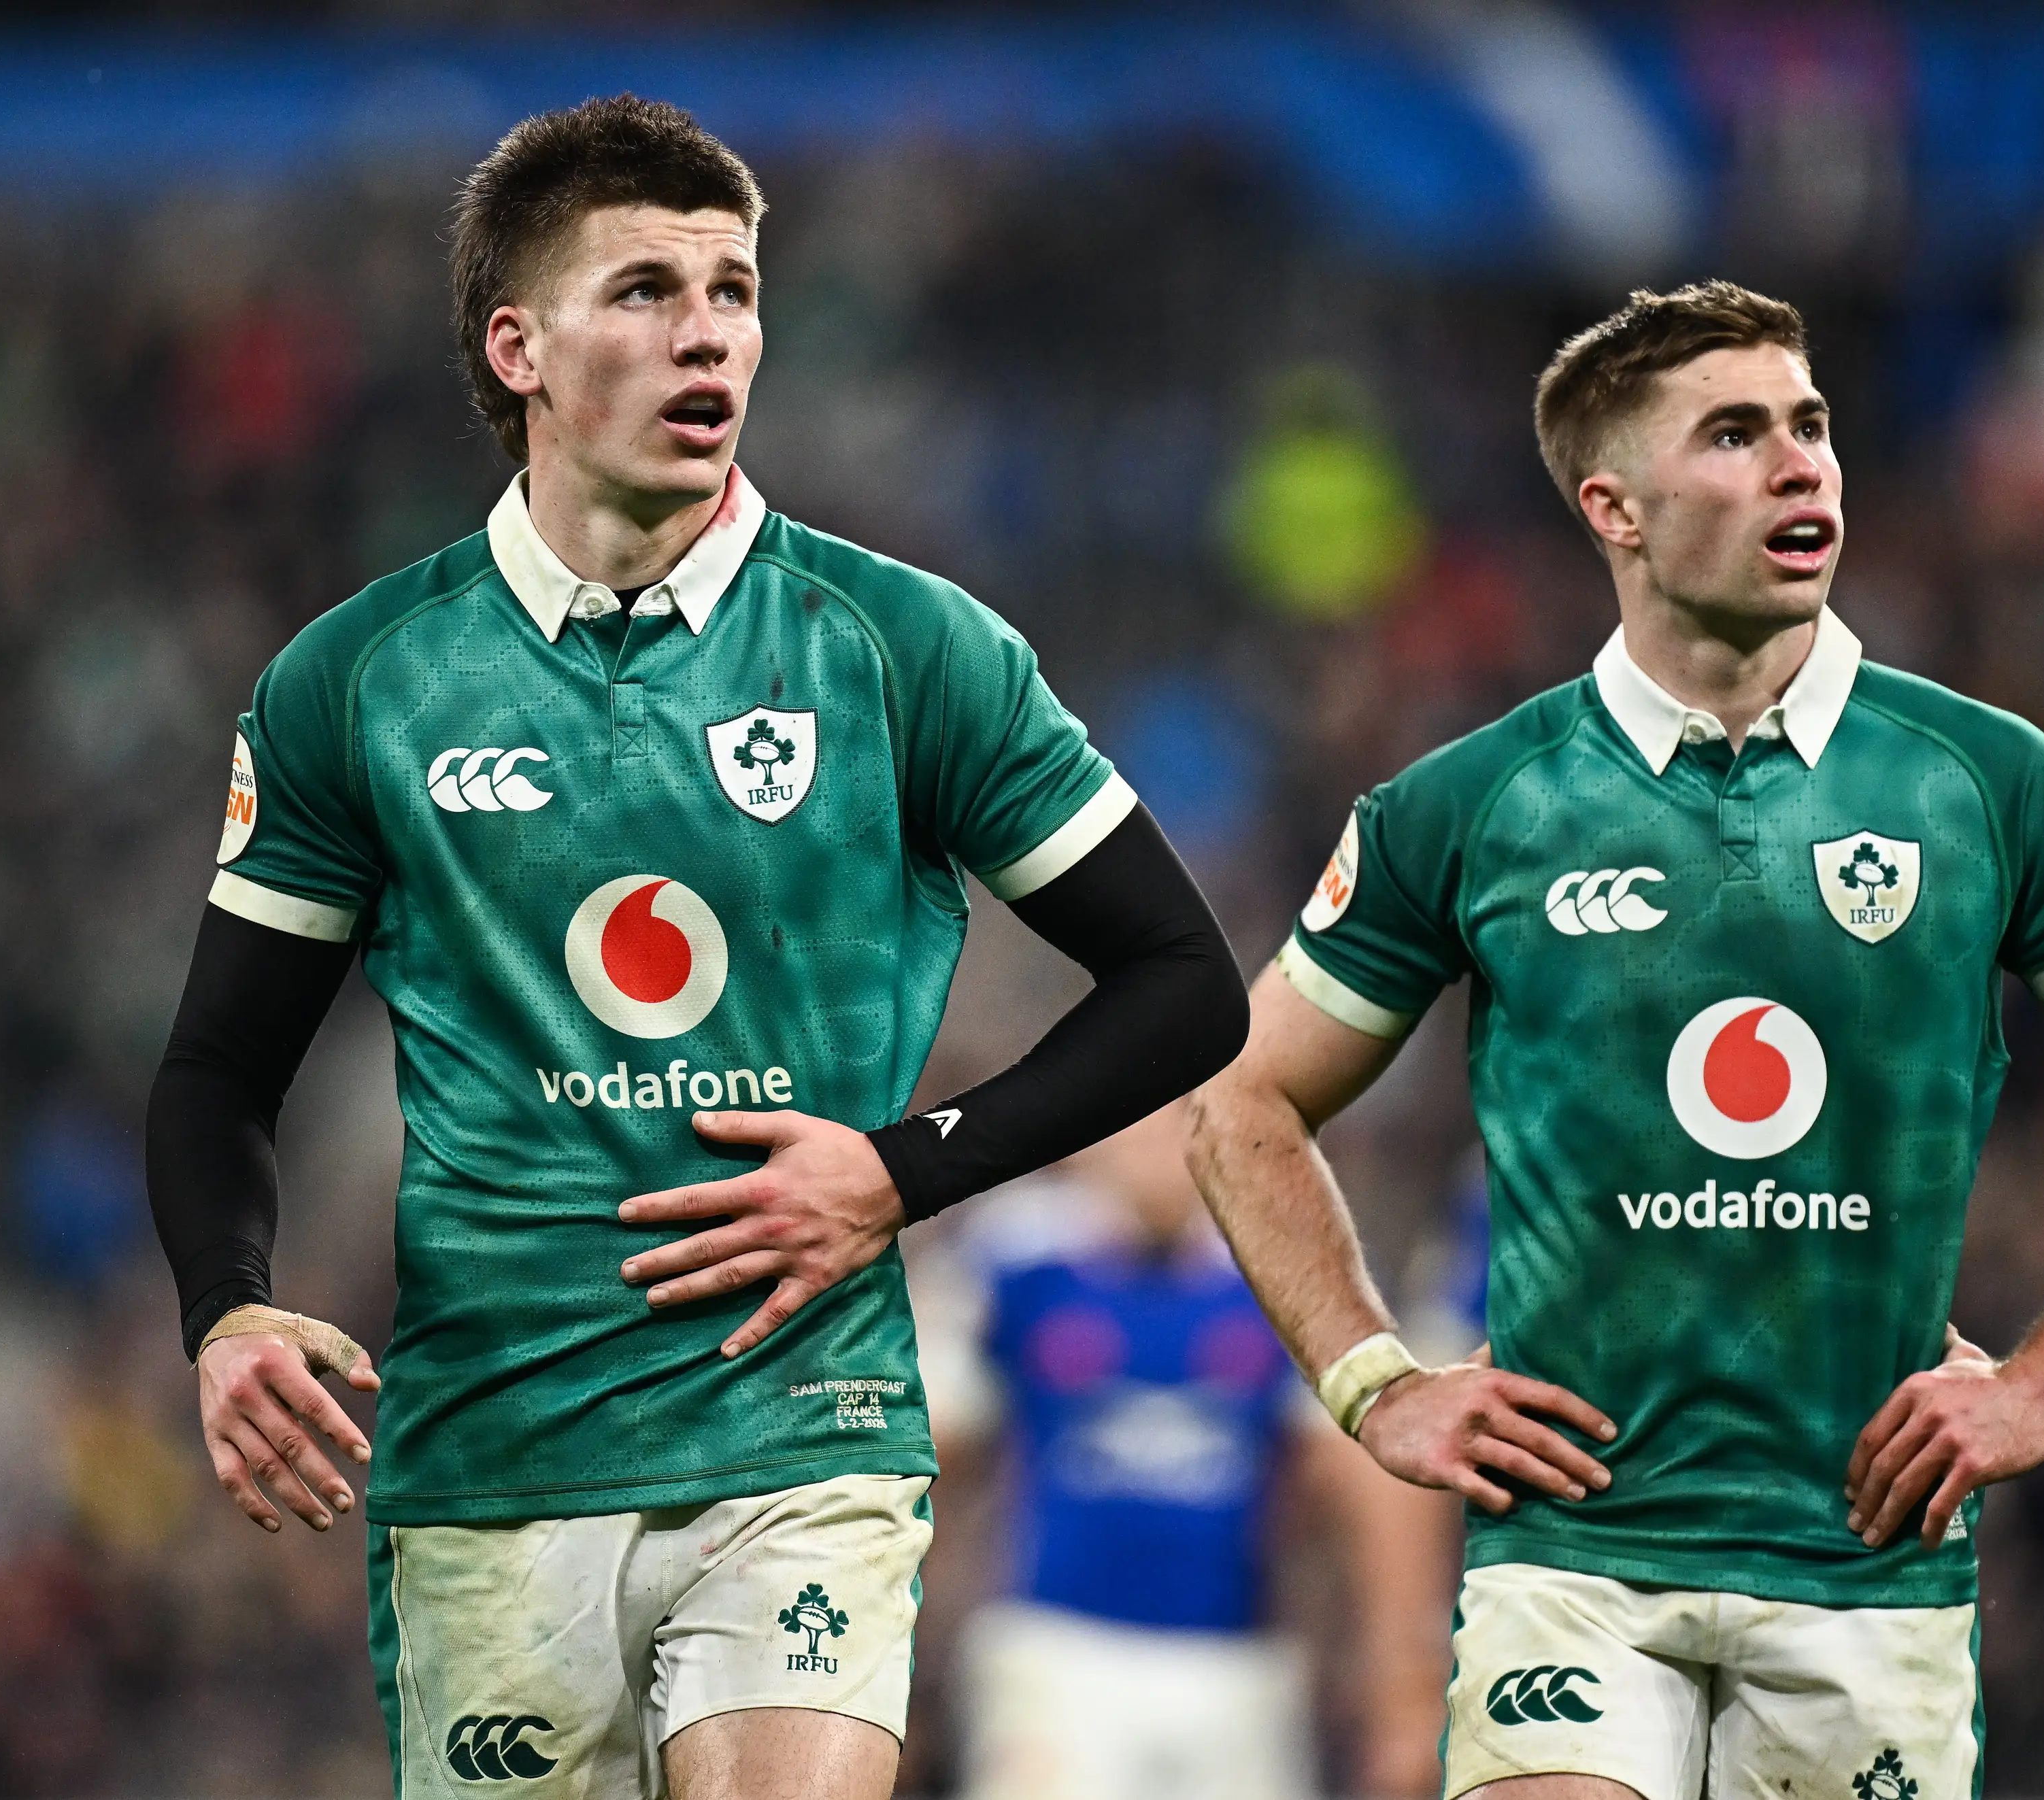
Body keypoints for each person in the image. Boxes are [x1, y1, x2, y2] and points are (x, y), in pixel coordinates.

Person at [144, 96, 1245, 1800]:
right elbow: (220, 1069)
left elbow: (1183, 981)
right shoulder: (356, 681)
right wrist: (227, 1312)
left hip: (805, 1434)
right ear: (518, 346)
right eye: (645, 290)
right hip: (497, 1454)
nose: (708, 332)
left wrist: (895, 1171)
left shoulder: (905, 648)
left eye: (732, 289)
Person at [1184, 281, 2044, 1800]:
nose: (1801, 463)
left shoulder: (1988, 782)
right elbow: (1242, 1105)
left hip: (1865, 1567)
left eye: (1812, 426)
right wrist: (1378, 1379)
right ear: (1613, 508)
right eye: (1738, 433)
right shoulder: (1471, 805)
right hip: (1574, 1560)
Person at [912, 1103, 1456, 1800]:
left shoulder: (1287, 1261)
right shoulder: (1014, 1256)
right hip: (1054, 1657)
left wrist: (1404, 1691)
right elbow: (921, 1452)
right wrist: (883, 1656)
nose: (1151, 1145)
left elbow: (1370, 1479)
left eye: (1176, 1117)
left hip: (1237, 1667)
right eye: (1131, 1116)